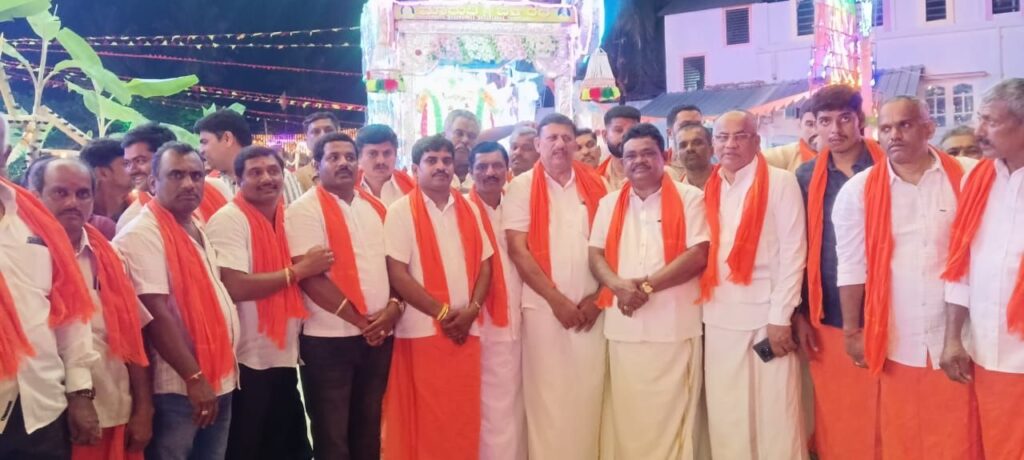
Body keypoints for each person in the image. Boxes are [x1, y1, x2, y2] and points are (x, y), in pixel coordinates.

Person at [832, 97, 982, 459]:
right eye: (886, 128)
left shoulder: (969, 176)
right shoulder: (858, 191)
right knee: (904, 432)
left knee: (961, 433)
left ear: (928, 128)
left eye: (905, 125)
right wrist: (853, 331)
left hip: (963, 333)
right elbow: (851, 266)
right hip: (897, 334)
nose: (894, 135)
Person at [588, 123, 710, 459]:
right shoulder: (609, 203)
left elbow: (698, 254)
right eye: (631, 155)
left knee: (673, 416)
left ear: (665, 156)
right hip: (623, 328)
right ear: (622, 161)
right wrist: (617, 286)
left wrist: (644, 287)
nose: (638, 161)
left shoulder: (690, 198)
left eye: (647, 153)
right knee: (629, 416)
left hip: (674, 326)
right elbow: (595, 254)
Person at [206, 146, 334, 460]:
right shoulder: (230, 220)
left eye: (273, 171)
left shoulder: (284, 217)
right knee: (247, 448)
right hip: (245, 361)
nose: (267, 178)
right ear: (238, 180)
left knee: (289, 449)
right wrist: (299, 271)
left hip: (281, 355)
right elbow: (233, 286)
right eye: (255, 172)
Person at [114, 142, 240, 460]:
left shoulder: (193, 223)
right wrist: (194, 378)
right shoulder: (142, 233)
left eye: (196, 176)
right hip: (178, 388)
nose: (189, 184)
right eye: (176, 175)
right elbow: (155, 314)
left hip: (217, 377)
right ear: (153, 182)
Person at [31, 157, 154, 460]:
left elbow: (133, 337)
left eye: (82, 193)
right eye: (60, 192)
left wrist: (143, 408)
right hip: (44, 418)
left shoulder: (109, 256)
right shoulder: (24, 258)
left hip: (113, 408)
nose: (73, 202)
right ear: (35, 196)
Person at [701, 110, 808, 459]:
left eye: (740, 136)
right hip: (719, 316)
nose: (730, 144)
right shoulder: (711, 187)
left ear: (756, 141)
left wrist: (781, 316)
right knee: (727, 410)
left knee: (775, 411)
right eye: (722, 137)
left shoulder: (779, 182)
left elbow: (794, 252)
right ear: (713, 143)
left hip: (767, 317)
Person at [287, 132, 398, 460]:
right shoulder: (303, 210)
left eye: (349, 156)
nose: (343, 163)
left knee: (369, 428)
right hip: (328, 342)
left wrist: (393, 308)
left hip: (377, 338)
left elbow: (395, 266)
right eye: (333, 157)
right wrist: (362, 322)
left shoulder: (375, 207)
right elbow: (310, 278)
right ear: (317, 164)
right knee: (332, 435)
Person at [503, 113, 608, 460]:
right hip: (543, 309)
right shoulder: (520, 187)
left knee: (589, 392)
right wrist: (555, 300)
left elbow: (614, 244)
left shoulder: (597, 184)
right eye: (552, 138)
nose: (560, 145)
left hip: (592, 310)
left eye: (566, 138)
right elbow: (518, 249)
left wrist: (599, 298)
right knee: (547, 397)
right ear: (538, 144)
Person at [383, 134, 492, 460]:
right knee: (428, 417)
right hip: (421, 332)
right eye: (431, 161)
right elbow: (397, 274)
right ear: (416, 168)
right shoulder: (401, 211)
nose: (441, 167)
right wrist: (444, 314)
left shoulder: (470, 208)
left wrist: (472, 310)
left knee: (462, 414)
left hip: (467, 329)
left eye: (446, 160)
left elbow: (486, 265)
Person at [793, 84, 885, 460]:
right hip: (828, 310)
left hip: (889, 308)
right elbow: (797, 249)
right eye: (825, 120)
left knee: (886, 406)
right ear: (814, 125)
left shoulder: (888, 166)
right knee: (839, 408)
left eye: (844, 118)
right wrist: (799, 313)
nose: (835, 129)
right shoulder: (804, 177)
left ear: (859, 120)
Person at [0, 115, 100, 459]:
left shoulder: (37, 221)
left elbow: (70, 314)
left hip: (40, 406)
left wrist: (80, 393)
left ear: (5, 153)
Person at [940, 78, 1024, 459]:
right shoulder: (977, 179)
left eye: (991, 121)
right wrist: (952, 338)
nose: (979, 131)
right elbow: (961, 264)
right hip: (988, 351)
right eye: (980, 119)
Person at [467, 141, 526, 459]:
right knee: (488, 405)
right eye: (482, 167)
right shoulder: (462, 210)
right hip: (480, 323)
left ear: (507, 169)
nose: (490, 173)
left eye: (496, 166)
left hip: (522, 317)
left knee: (517, 402)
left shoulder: (519, 206)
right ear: (470, 171)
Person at [194, 109, 303, 209]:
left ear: (227, 139)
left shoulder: (278, 177)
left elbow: (298, 219)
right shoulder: (210, 186)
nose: (201, 150)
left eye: (204, 142)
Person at [118, 123, 177, 233]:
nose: (131, 170)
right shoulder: (131, 221)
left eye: (140, 161)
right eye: (127, 163)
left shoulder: (197, 197)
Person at [356, 124, 415, 206]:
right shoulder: (347, 192)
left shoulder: (412, 189)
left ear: (395, 155)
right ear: (359, 157)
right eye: (372, 154)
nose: (381, 161)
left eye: (387, 153)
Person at [80, 138, 134, 224]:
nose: (134, 169)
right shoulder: (80, 216)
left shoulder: (140, 210)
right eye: (126, 164)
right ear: (102, 173)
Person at [595, 106, 642, 190]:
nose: (626, 136)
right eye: (618, 130)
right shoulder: (595, 179)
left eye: (632, 130)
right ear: (605, 136)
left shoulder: (656, 174)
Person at [296, 112, 340, 191]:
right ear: (306, 139)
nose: (323, 135)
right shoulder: (296, 178)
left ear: (339, 135)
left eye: (329, 130)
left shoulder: (355, 173)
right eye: (316, 131)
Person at [764, 108, 819, 172]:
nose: (816, 131)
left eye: (823, 123)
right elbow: (757, 160)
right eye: (810, 124)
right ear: (800, 125)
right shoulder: (788, 153)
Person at [444, 110, 481, 191]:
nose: (465, 140)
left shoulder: (485, 176)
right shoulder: (430, 175)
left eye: (471, 136)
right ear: (445, 135)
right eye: (459, 133)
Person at [671, 122, 715, 189]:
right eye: (683, 145)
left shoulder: (727, 182)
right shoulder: (676, 190)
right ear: (677, 153)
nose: (689, 148)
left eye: (697, 143)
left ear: (712, 149)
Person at [664, 104, 703, 178]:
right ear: (670, 133)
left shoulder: (718, 162)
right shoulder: (658, 166)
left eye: (698, 125)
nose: (693, 130)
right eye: (685, 126)